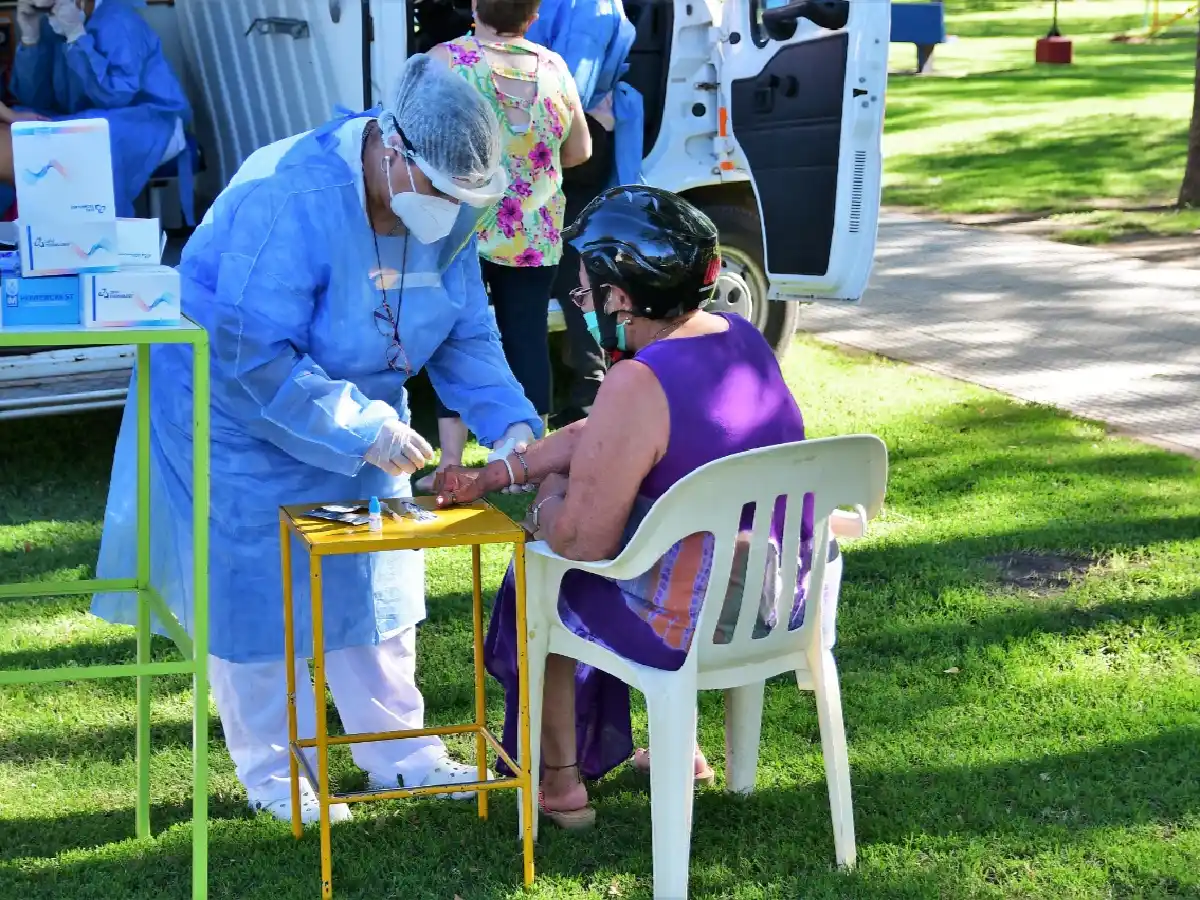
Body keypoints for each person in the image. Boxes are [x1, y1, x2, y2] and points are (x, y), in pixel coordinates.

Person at [92, 55, 541, 825]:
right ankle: (275, 771)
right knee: (257, 593)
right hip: (232, 412)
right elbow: (246, 353)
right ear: (393, 151)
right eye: (436, 192)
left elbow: (464, 328)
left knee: (376, 583)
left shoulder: (448, 207)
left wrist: (513, 423)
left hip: (364, 415)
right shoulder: (287, 197)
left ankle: (400, 752)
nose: (444, 213)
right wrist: (361, 427)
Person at [433, 186, 858, 827]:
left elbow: (582, 542)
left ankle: (561, 786)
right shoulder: (741, 340)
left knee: (543, 573)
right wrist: (504, 471)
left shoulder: (638, 379)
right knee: (661, 546)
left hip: (694, 622)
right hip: (779, 603)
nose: (582, 307)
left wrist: (548, 500)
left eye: (584, 295)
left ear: (620, 299)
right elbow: (599, 435)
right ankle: (678, 747)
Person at [415, 0, 592, 492]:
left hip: (463, 225)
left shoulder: (447, 60)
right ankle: (531, 466)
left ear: (474, 6)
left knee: (455, 337)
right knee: (527, 337)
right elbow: (580, 150)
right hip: (534, 230)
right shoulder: (555, 67)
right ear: (532, 17)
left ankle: (451, 461)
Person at [526, 0, 640, 428]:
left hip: (573, 135)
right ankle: (589, 388)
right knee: (573, 267)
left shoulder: (588, 6)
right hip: (583, 132)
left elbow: (573, 86)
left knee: (571, 269)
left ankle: (591, 390)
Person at [3, 0, 192, 219]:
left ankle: (94, 235)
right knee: (15, 128)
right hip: (84, 115)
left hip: (150, 121)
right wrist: (30, 39)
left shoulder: (120, 22)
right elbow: (34, 98)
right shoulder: (54, 23)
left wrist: (77, 37)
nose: (48, 12)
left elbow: (116, 97)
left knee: (88, 136)